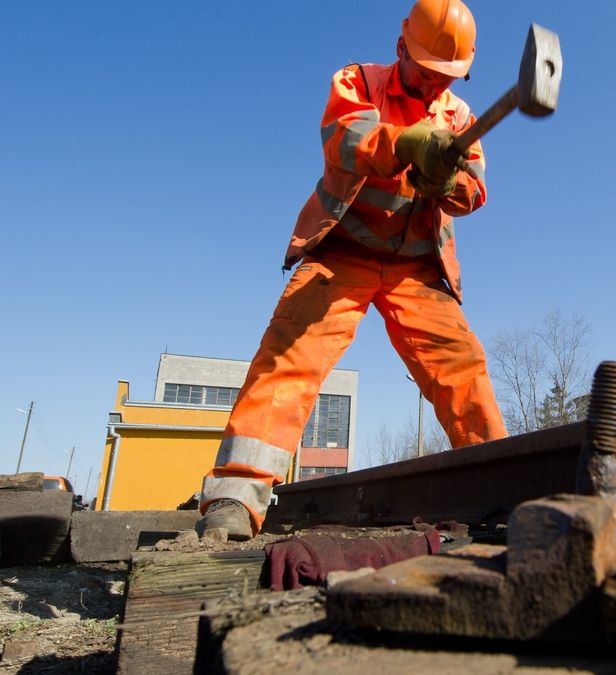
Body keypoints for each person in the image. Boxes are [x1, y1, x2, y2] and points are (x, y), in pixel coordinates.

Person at [196, 0, 507, 540]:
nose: (436, 86)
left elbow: (476, 190)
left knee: (463, 369)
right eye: (428, 72)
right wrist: (404, 141)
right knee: (291, 359)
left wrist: (448, 181)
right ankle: (234, 499)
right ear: (401, 48)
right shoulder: (358, 81)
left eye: (447, 77)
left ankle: (507, 494)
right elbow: (343, 139)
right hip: (342, 255)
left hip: (414, 269)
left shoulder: (460, 117)